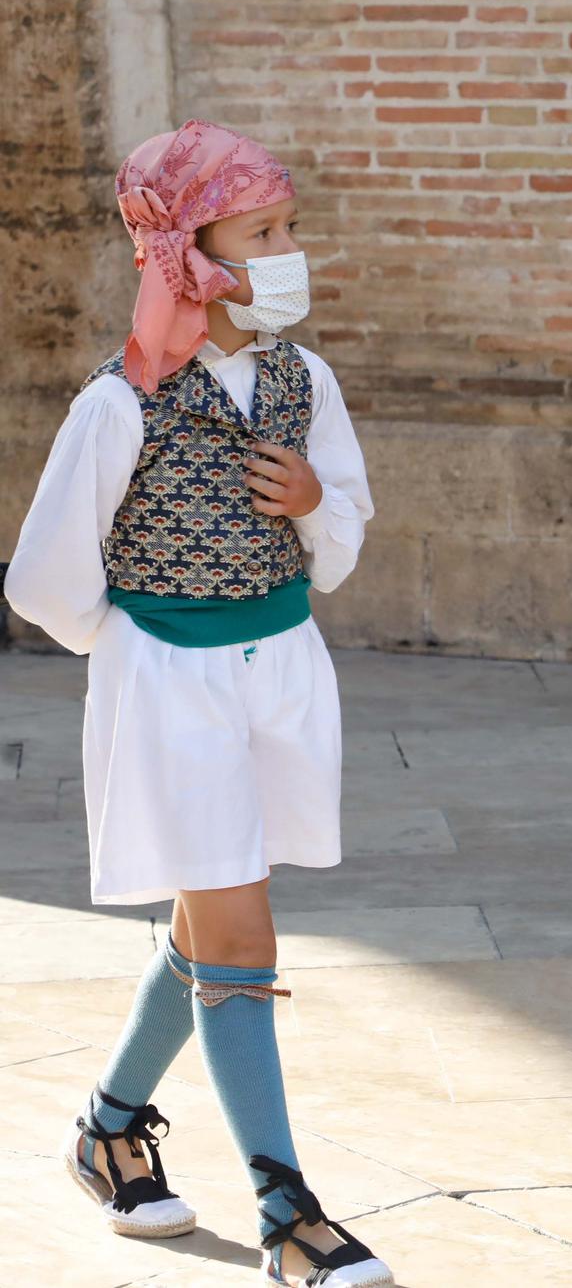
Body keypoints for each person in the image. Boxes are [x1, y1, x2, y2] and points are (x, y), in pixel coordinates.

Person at [4, 120, 390, 1286]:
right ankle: (290, 1214)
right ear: (188, 254)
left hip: (283, 673)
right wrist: (143, 657)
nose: (287, 252)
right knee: (240, 931)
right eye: (261, 233)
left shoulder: (302, 379)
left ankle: (110, 1125)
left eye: (288, 228)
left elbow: (341, 543)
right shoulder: (115, 407)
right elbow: (46, 582)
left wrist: (313, 497)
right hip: (171, 683)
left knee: (210, 918)